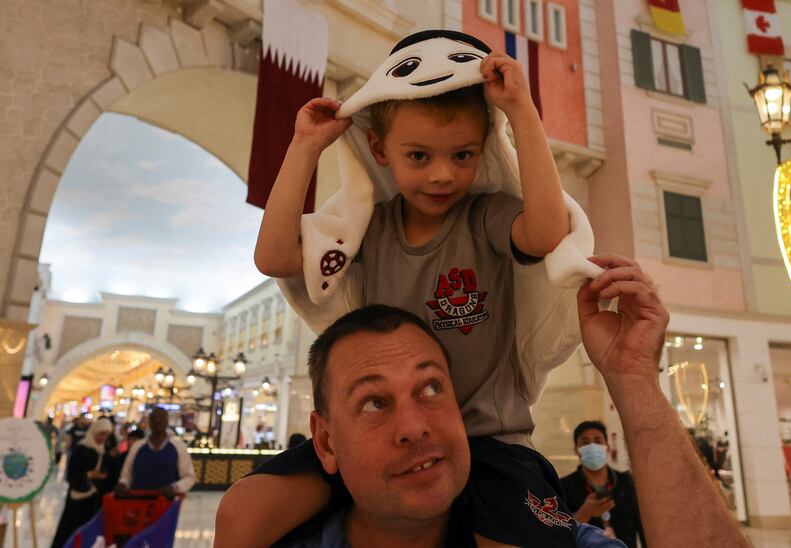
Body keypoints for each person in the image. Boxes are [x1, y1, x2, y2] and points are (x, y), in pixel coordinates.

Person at [252, 28, 593, 546]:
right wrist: (304, 148)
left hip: (489, 440)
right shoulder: (371, 229)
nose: (442, 175)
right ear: (378, 148)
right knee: (245, 510)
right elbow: (274, 258)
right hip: (387, 438)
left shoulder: (485, 219)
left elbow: (547, 233)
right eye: (419, 156)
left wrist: (522, 113)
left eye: (462, 155)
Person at [216, 255, 749, 547]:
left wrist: (635, 382)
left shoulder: (554, 541)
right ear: (326, 441)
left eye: (431, 388)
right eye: (374, 403)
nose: (414, 426)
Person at [559, 421, 646, 547]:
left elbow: (643, 526)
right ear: (577, 450)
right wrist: (584, 514)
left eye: (598, 441)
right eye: (585, 442)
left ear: (607, 448)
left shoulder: (626, 481)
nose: (592, 446)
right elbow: (559, 533)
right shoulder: (563, 487)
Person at [50, 418, 113, 548]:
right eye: (101, 434)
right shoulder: (82, 448)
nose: (103, 438)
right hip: (77, 499)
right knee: (70, 530)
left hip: (93, 501)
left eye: (106, 435)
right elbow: (72, 473)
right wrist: (88, 475)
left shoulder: (103, 450)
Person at [115, 407, 195, 496]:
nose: (157, 421)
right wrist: (123, 484)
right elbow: (127, 474)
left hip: (166, 504)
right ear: (150, 421)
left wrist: (175, 487)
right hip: (137, 501)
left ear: (167, 421)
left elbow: (189, 477)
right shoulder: (137, 446)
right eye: (154, 418)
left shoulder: (179, 447)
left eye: (161, 418)